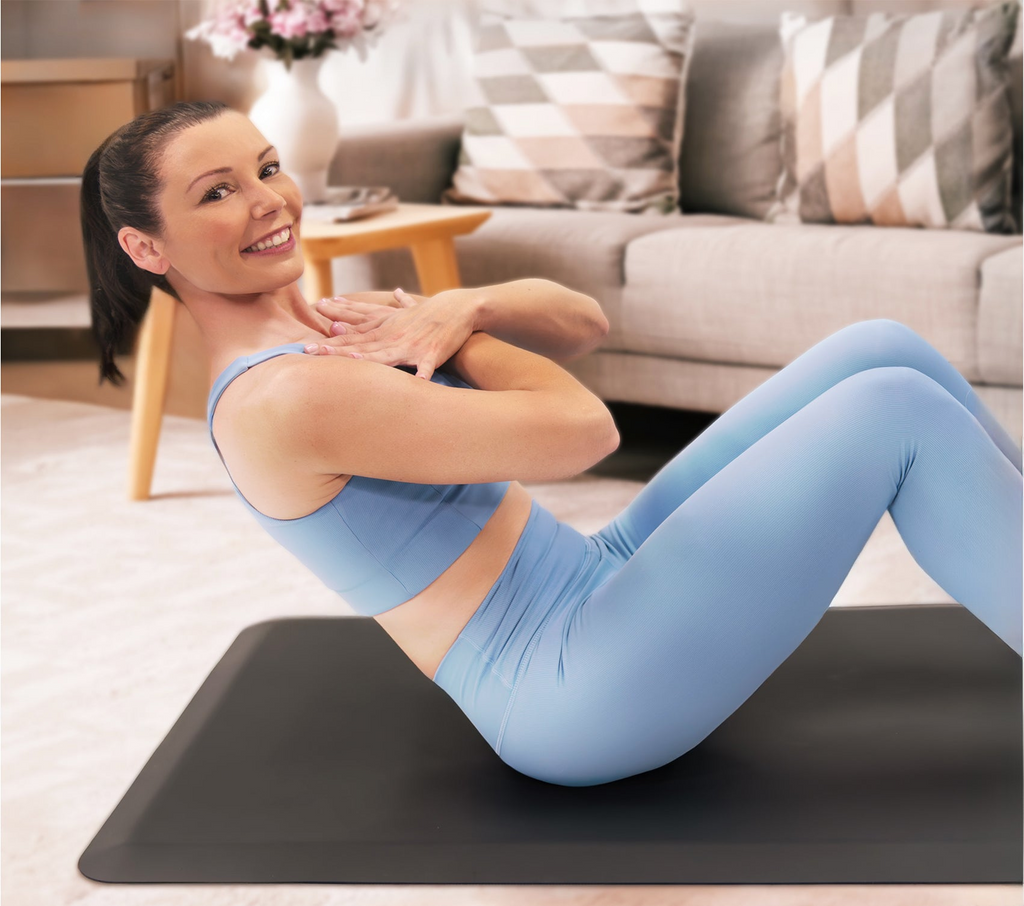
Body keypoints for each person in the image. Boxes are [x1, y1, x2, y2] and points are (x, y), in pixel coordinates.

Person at [82, 100, 1023, 788]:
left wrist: (462, 305)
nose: (267, 200)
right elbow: (585, 432)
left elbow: (582, 322)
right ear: (147, 248)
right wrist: (451, 330)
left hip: (593, 573)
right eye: (217, 192)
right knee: (892, 409)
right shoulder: (283, 396)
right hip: (572, 685)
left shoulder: (333, 325)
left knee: (879, 348)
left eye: (267, 166)